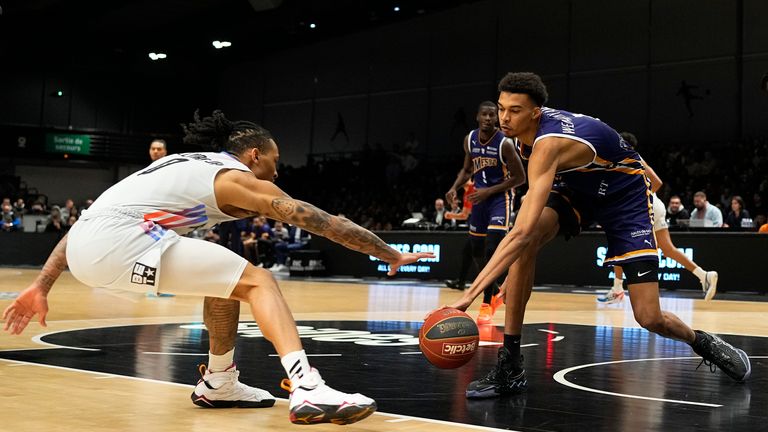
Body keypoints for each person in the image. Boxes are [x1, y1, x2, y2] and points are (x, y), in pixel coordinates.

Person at [2, 110, 432, 425]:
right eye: (273, 160)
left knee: (225, 281)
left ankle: (220, 381)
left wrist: (43, 284)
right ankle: (307, 385)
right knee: (258, 279)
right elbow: (316, 219)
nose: (276, 170)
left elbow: (91, 222)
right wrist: (388, 252)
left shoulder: (180, 164)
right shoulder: (233, 178)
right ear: (252, 155)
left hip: (88, 245)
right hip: (119, 242)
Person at [448, 73, 750, 399]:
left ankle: (702, 342)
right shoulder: (520, 138)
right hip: (579, 187)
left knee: (649, 317)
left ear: (536, 112)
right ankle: (510, 367)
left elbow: (518, 233)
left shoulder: (547, 145)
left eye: (515, 110)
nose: (505, 118)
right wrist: (514, 265)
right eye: (502, 108)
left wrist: (468, 298)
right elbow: (525, 231)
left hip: (624, 195)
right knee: (527, 240)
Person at [597, 133, 718, 304]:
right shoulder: (624, 159)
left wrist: (637, 200)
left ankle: (617, 289)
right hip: (655, 205)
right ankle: (704, 275)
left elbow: (657, 182)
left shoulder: (631, 158)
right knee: (668, 249)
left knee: (619, 241)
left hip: (646, 207)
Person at [445, 101, 526, 325]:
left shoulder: (505, 144)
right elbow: (467, 169)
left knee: (492, 249)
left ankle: (486, 302)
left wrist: (489, 191)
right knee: (476, 250)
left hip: (500, 198)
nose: (489, 118)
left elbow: (520, 178)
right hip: (479, 200)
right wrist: (454, 188)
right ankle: (496, 286)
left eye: (493, 115)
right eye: (485, 115)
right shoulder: (469, 139)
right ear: (478, 117)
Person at [445, 181, 476, 290]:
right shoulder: (466, 193)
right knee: (468, 253)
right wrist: (451, 215)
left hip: (484, 225)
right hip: (476, 226)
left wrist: (450, 215)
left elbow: (464, 215)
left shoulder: (475, 186)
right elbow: (465, 215)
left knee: (478, 256)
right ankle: (461, 282)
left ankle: (491, 286)